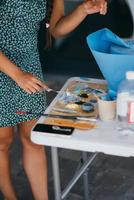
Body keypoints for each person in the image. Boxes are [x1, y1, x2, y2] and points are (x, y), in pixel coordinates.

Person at [0, 0, 107, 199]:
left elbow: (56, 29)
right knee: (2, 142)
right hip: (5, 67)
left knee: (33, 140)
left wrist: (83, 9)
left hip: (29, 65)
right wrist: (17, 75)